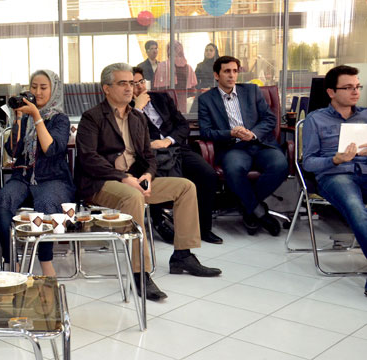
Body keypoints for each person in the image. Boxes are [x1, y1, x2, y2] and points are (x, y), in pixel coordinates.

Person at [76, 63, 221, 301]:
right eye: (122, 83)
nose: (129, 88)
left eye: (131, 83)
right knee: (133, 196)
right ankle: (139, 272)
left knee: (185, 187)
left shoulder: (136, 117)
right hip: (101, 184)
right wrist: (124, 178)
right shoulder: (92, 117)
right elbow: (88, 158)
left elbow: (149, 156)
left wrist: (148, 175)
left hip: (134, 180)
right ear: (106, 88)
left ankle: (182, 255)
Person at [0, 69, 75, 276]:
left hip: (53, 178)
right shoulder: (25, 117)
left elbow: (51, 149)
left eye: (43, 88)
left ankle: (46, 262)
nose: (37, 92)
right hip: (23, 177)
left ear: (53, 90)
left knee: (46, 203)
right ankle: (12, 261)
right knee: (3, 199)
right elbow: (13, 150)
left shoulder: (60, 119)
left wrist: (36, 116)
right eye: (34, 87)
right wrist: (18, 119)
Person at [197, 55, 288, 236]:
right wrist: (231, 133)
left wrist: (252, 133)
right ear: (216, 75)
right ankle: (259, 212)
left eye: (235, 71)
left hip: (259, 143)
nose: (232, 75)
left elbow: (269, 119)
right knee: (234, 169)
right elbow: (206, 132)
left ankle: (248, 206)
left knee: (280, 165)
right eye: (227, 71)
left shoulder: (252, 91)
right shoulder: (206, 99)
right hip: (233, 147)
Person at [131, 67, 222, 244]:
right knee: (151, 176)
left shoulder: (162, 98)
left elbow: (183, 126)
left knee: (207, 174)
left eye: (141, 82)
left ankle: (203, 228)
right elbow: (130, 134)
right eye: (134, 84)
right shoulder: (127, 109)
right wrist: (138, 109)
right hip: (149, 153)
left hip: (176, 148)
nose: (140, 87)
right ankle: (159, 222)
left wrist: (169, 140)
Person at [301, 65, 367, 297]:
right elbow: (308, 162)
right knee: (356, 209)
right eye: (348, 87)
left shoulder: (366, 115)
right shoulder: (315, 119)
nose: (355, 92)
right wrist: (335, 159)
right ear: (331, 92)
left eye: (357, 86)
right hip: (335, 175)